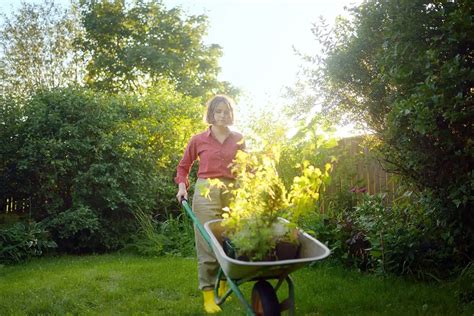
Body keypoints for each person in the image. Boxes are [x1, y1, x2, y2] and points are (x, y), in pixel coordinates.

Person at [175, 94, 244, 314]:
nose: (223, 115)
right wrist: (182, 187)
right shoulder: (198, 140)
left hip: (232, 191)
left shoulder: (239, 138)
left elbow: (247, 168)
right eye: (218, 111)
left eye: (226, 111)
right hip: (206, 191)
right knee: (207, 243)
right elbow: (184, 166)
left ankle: (223, 283)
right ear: (211, 114)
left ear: (231, 113)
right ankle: (208, 294)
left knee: (230, 240)